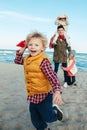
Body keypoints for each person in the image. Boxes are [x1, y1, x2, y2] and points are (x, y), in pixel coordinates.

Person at [14, 32, 63, 130]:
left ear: (42, 48)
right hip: (33, 94)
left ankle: (55, 111)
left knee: (48, 117)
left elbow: (52, 76)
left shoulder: (43, 61)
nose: (33, 47)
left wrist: (57, 91)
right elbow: (18, 61)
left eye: (36, 45)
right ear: (27, 45)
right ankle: (43, 128)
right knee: (34, 117)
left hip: (44, 94)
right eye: (30, 44)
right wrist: (21, 52)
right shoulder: (27, 58)